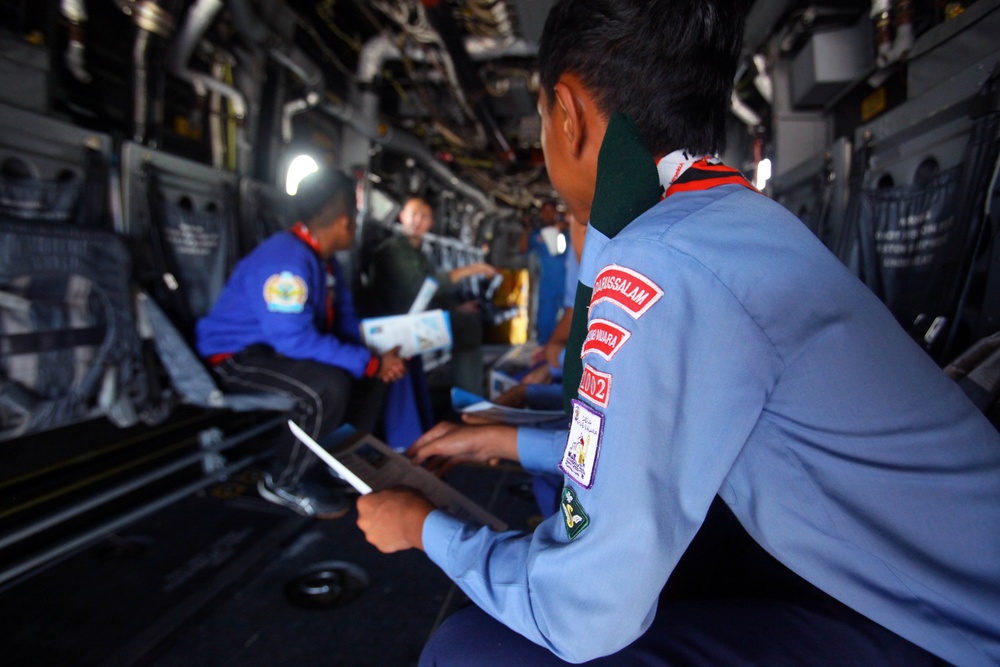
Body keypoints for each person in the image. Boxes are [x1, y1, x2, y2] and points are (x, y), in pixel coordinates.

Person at [355, 1, 1000, 665]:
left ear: (568, 115)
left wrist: (423, 526)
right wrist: (504, 439)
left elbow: (582, 612)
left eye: (542, 117)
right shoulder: (723, 220)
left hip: (942, 633)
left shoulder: (658, 260)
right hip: (904, 582)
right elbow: (644, 450)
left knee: (469, 651)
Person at [196, 169, 406, 518]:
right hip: (238, 357)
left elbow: (345, 319)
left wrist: (375, 357)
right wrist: (368, 361)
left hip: (278, 350)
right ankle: (284, 479)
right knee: (327, 385)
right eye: (355, 218)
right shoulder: (287, 263)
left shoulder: (325, 261)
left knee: (370, 376)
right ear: (343, 222)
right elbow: (293, 339)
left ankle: (338, 461)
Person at [369, 196, 499, 394]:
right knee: (467, 327)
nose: (417, 221)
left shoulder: (419, 253)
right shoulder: (393, 250)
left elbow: (430, 294)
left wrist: (454, 308)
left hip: (414, 318)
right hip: (397, 325)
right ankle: (471, 401)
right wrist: (472, 269)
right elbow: (421, 288)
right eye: (413, 214)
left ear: (430, 223)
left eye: (424, 217)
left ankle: (468, 396)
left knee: (467, 318)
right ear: (402, 216)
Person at [519, 200, 567, 345]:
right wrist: (527, 227)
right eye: (544, 212)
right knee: (545, 318)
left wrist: (564, 226)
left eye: (550, 211)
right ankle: (545, 350)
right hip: (548, 282)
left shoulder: (566, 230)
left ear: (556, 213)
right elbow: (522, 249)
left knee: (570, 316)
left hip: (567, 282)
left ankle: (568, 350)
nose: (547, 214)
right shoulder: (537, 234)